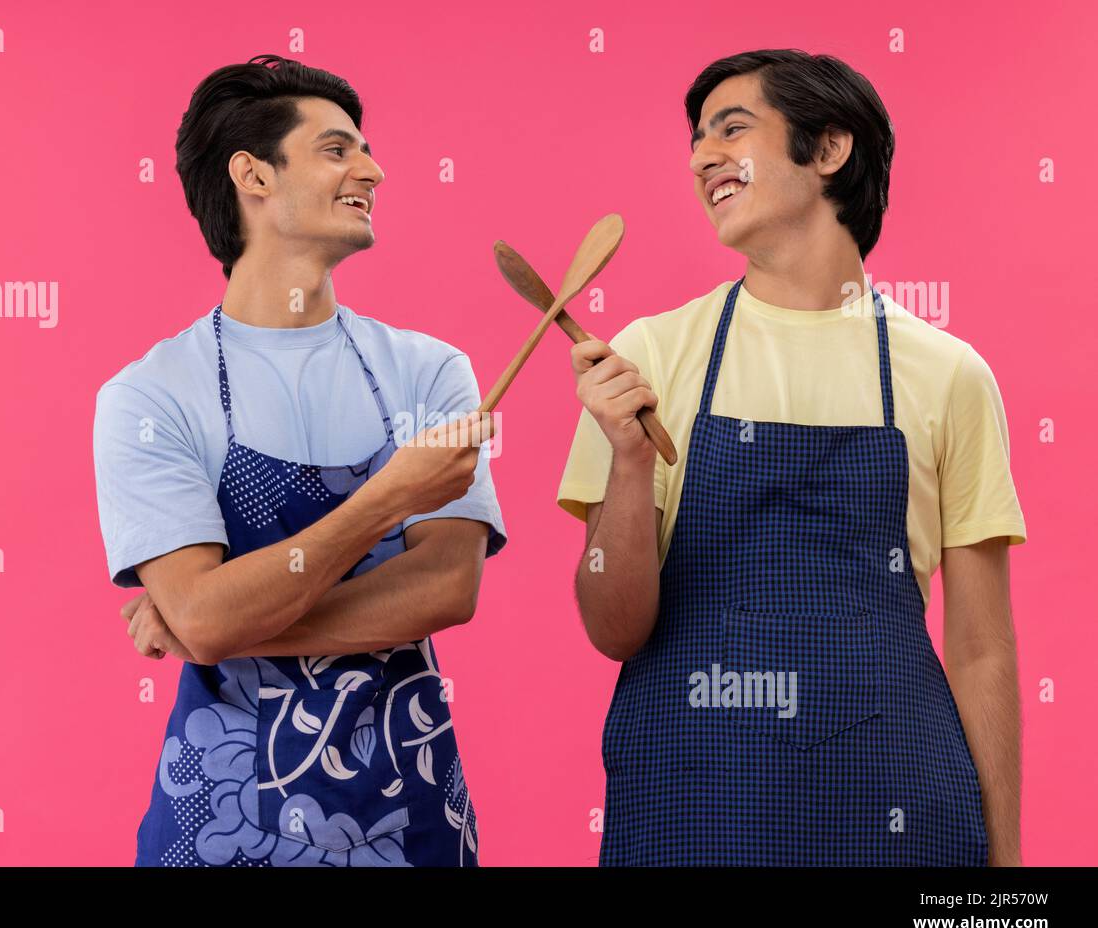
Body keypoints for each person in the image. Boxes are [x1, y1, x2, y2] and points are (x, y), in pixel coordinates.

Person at [558, 49, 1026, 866]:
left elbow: (982, 646)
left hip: (899, 803)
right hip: (694, 798)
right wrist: (629, 464)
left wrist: (1006, 874)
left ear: (829, 149)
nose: (702, 156)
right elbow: (613, 626)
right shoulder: (651, 358)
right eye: (696, 140)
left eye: (731, 129)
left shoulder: (949, 375)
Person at [92, 55, 505, 867]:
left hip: (407, 810)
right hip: (221, 820)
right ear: (253, 175)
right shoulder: (150, 394)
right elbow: (210, 617)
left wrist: (211, 626)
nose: (372, 169)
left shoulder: (428, 370)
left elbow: (445, 590)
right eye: (337, 149)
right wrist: (387, 499)